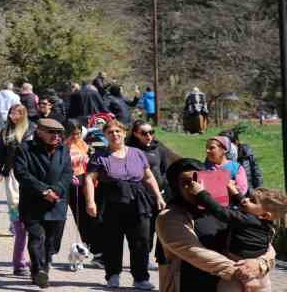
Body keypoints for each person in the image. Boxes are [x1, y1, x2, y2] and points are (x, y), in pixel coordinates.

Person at [156, 158, 276, 292]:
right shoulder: (169, 217)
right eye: (186, 183)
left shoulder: (219, 210)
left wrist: (261, 263)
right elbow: (197, 253)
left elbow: (259, 240)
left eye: (197, 180)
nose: (193, 187)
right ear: (175, 187)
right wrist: (244, 272)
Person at [84, 120, 166, 290]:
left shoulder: (137, 153)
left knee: (141, 240)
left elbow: (148, 177)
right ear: (106, 135)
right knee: (112, 240)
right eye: (110, 132)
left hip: (138, 201)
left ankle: (141, 278)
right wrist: (90, 202)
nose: (115, 135)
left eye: (118, 131)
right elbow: (89, 179)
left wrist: (158, 195)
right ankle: (113, 275)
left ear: (124, 133)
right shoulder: (99, 155)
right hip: (111, 201)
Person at [187, 180, 286, 291]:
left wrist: (201, 193)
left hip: (238, 263)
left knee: (226, 287)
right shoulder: (266, 222)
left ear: (264, 215)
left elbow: (221, 212)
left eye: (252, 200)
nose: (246, 199)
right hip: (258, 270)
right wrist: (234, 191)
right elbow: (245, 203)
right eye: (249, 197)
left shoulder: (248, 219)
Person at [14, 118, 72, 289]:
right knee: (37, 236)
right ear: (39, 131)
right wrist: (44, 191)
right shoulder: (25, 148)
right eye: (51, 132)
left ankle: (42, 270)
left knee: (51, 242)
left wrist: (56, 190)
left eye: (58, 133)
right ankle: (39, 270)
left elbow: (68, 173)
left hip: (57, 202)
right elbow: (21, 173)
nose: (56, 136)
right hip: (33, 202)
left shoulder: (63, 149)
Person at [0, 103, 36, 276]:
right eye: (11, 112)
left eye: (16, 113)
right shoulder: (6, 131)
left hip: (30, 175)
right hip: (12, 175)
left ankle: (37, 262)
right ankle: (19, 263)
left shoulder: (31, 130)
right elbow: (0, 152)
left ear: (23, 114)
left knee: (33, 224)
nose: (13, 115)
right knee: (19, 221)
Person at [127, 120, 173, 270]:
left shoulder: (158, 148)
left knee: (160, 228)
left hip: (160, 195)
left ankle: (160, 257)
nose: (149, 136)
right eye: (144, 133)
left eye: (151, 132)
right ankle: (143, 259)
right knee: (143, 231)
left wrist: (163, 187)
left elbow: (164, 170)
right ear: (135, 134)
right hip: (140, 196)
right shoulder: (130, 149)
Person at [64, 119, 102, 263]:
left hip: (89, 184)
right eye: (73, 134)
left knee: (94, 217)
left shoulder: (84, 145)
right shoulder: (63, 147)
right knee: (83, 220)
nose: (76, 136)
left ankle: (97, 249)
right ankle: (95, 251)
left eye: (79, 133)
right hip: (74, 185)